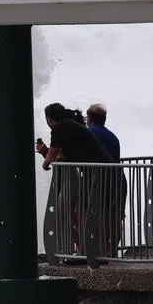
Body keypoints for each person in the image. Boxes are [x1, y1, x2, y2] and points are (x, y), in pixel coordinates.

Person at [37, 103, 116, 261]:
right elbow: (64, 157)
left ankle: (88, 249)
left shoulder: (60, 129)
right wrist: (47, 153)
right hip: (101, 173)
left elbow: (51, 159)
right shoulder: (71, 125)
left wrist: (45, 159)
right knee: (80, 213)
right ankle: (89, 249)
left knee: (68, 212)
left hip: (95, 174)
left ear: (50, 119)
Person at [85, 103, 125, 256]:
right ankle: (113, 251)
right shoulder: (112, 136)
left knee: (101, 214)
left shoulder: (89, 133)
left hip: (100, 180)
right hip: (118, 177)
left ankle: (101, 251)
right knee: (114, 216)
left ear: (90, 119)